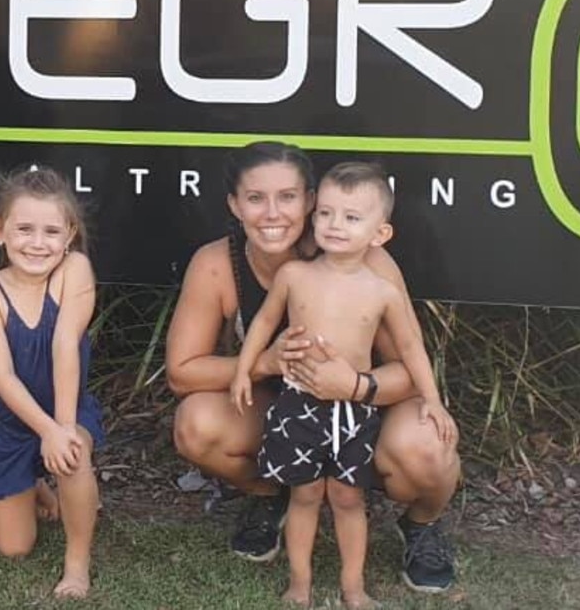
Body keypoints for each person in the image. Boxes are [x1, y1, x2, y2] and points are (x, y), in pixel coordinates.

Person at [166, 141, 462, 593]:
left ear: (308, 201)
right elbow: (182, 372)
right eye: (255, 198)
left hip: (369, 405)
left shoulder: (363, 259)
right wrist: (264, 362)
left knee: (426, 448)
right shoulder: (216, 264)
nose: (272, 213)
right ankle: (271, 497)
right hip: (290, 409)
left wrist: (354, 386)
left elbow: (409, 364)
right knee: (197, 424)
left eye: (287, 197)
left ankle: (421, 525)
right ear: (234, 205)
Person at [0, 167, 103, 599]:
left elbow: (65, 343)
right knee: (14, 548)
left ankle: (77, 562)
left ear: (69, 235)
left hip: (65, 407)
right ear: (0, 231)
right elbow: (3, 376)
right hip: (10, 421)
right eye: (24, 229)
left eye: (51, 231)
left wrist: (61, 430)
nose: (37, 242)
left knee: (73, 453)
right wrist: (43, 430)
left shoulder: (75, 270)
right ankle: (37, 485)